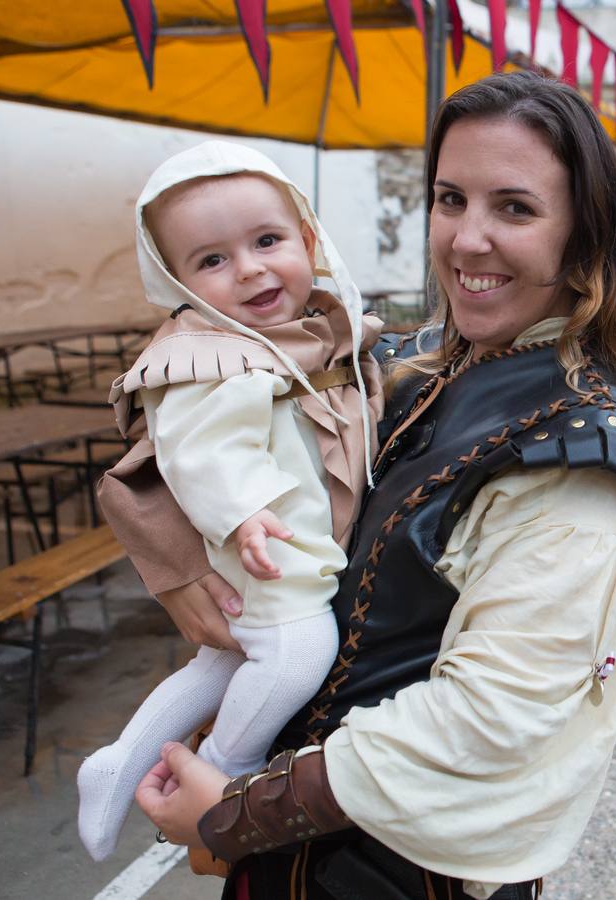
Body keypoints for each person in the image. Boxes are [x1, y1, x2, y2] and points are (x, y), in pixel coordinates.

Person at [98, 70, 616, 900]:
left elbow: (487, 723)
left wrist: (235, 812)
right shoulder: (411, 368)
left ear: (584, 237)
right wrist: (180, 562)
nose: (466, 239)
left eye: (514, 209)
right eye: (451, 200)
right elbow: (192, 413)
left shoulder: (585, 470)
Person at [77, 141, 383, 861]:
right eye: (211, 261)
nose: (248, 269)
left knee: (219, 666)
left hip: (287, 547)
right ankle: (225, 770)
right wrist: (243, 511)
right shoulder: (206, 354)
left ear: (308, 240)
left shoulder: (309, 339)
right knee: (298, 652)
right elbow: (201, 448)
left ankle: (120, 761)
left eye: (268, 241)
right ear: (175, 281)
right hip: (265, 549)